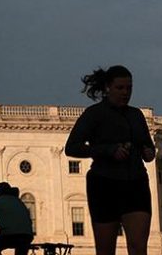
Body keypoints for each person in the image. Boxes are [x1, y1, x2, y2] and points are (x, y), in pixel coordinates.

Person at [65, 65, 155, 255]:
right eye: (120, 88)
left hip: (136, 182)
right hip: (104, 184)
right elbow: (72, 147)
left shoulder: (136, 115)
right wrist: (108, 150)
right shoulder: (94, 114)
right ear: (107, 88)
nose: (126, 93)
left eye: (129, 88)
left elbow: (148, 146)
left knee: (139, 247)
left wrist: (148, 152)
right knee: (106, 250)